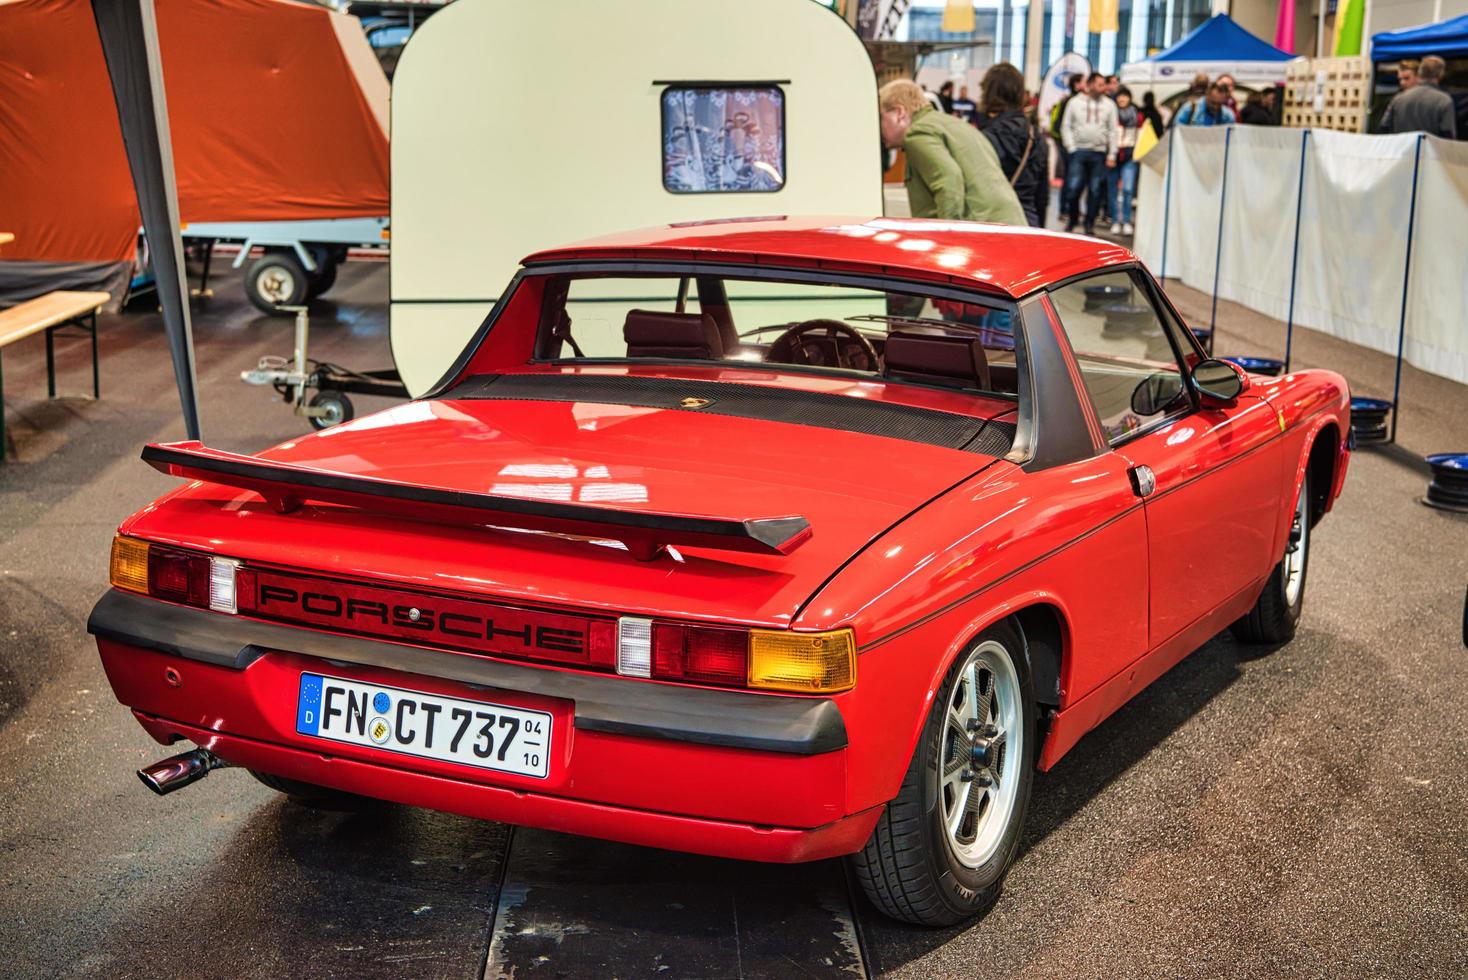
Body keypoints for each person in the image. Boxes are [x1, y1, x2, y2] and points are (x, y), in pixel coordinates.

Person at [878, 78, 1027, 225]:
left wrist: (948, 236)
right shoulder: (953, 125)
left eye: (881, 117)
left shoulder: (918, 133)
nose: (879, 126)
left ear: (899, 113)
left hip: (984, 233)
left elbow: (949, 181)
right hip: (1009, 226)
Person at [977, 62, 1048, 227]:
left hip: (993, 220)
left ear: (988, 92)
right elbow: (1042, 195)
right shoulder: (1035, 136)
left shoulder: (984, 137)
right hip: (1027, 220)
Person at [1060, 72, 1118, 235]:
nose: (1103, 88)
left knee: (1095, 190)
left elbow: (1113, 130)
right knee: (1073, 188)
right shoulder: (1075, 102)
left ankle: (1089, 224)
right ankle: (1072, 219)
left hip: (1099, 153)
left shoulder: (1109, 105)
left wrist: (1112, 154)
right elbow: (1066, 126)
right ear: (1090, 85)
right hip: (1078, 152)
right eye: (1100, 85)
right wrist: (1071, 147)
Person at [1380, 55, 1456, 138]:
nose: (1402, 83)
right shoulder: (1444, 100)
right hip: (1430, 150)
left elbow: (1384, 127)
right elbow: (1447, 134)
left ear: (1419, 74)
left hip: (1402, 149)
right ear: (1441, 74)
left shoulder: (1398, 99)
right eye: (1400, 79)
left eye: (1406, 78)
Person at [1050, 74, 1084, 218]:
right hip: (1068, 145)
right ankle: (1064, 209)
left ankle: (1071, 209)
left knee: (1075, 177)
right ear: (1076, 84)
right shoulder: (1070, 101)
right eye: (1084, 82)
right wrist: (1069, 145)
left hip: (1074, 145)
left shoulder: (1079, 100)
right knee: (1070, 176)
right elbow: (1064, 125)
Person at [1110, 87, 1140, 236]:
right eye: (1119, 96)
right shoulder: (1111, 113)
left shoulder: (1137, 114)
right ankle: (1115, 220)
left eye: (1125, 96)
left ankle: (1127, 220)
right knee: (1113, 190)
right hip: (1113, 155)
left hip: (1130, 155)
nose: (1122, 99)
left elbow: (1142, 133)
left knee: (1128, 189)